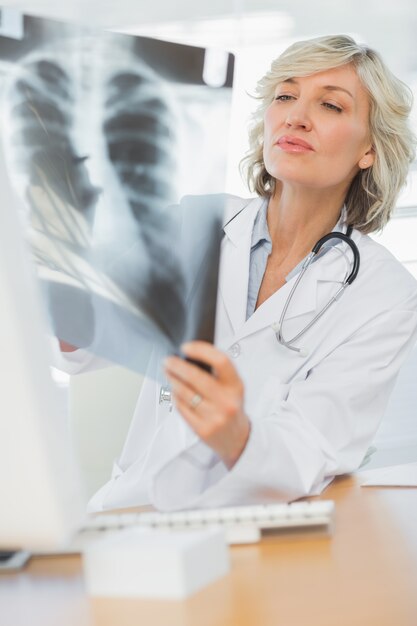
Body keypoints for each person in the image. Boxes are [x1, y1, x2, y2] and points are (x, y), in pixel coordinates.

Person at [65, 34, 417, 512]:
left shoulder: (384, 292)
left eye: (331, 106)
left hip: (258, 531)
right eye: (285, 96)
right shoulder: (190, 224)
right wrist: (58, 255)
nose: (295, 116)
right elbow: (79, 343)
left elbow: (311, 451)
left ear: (370, 149)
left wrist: (235, 432)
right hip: (131, 512)